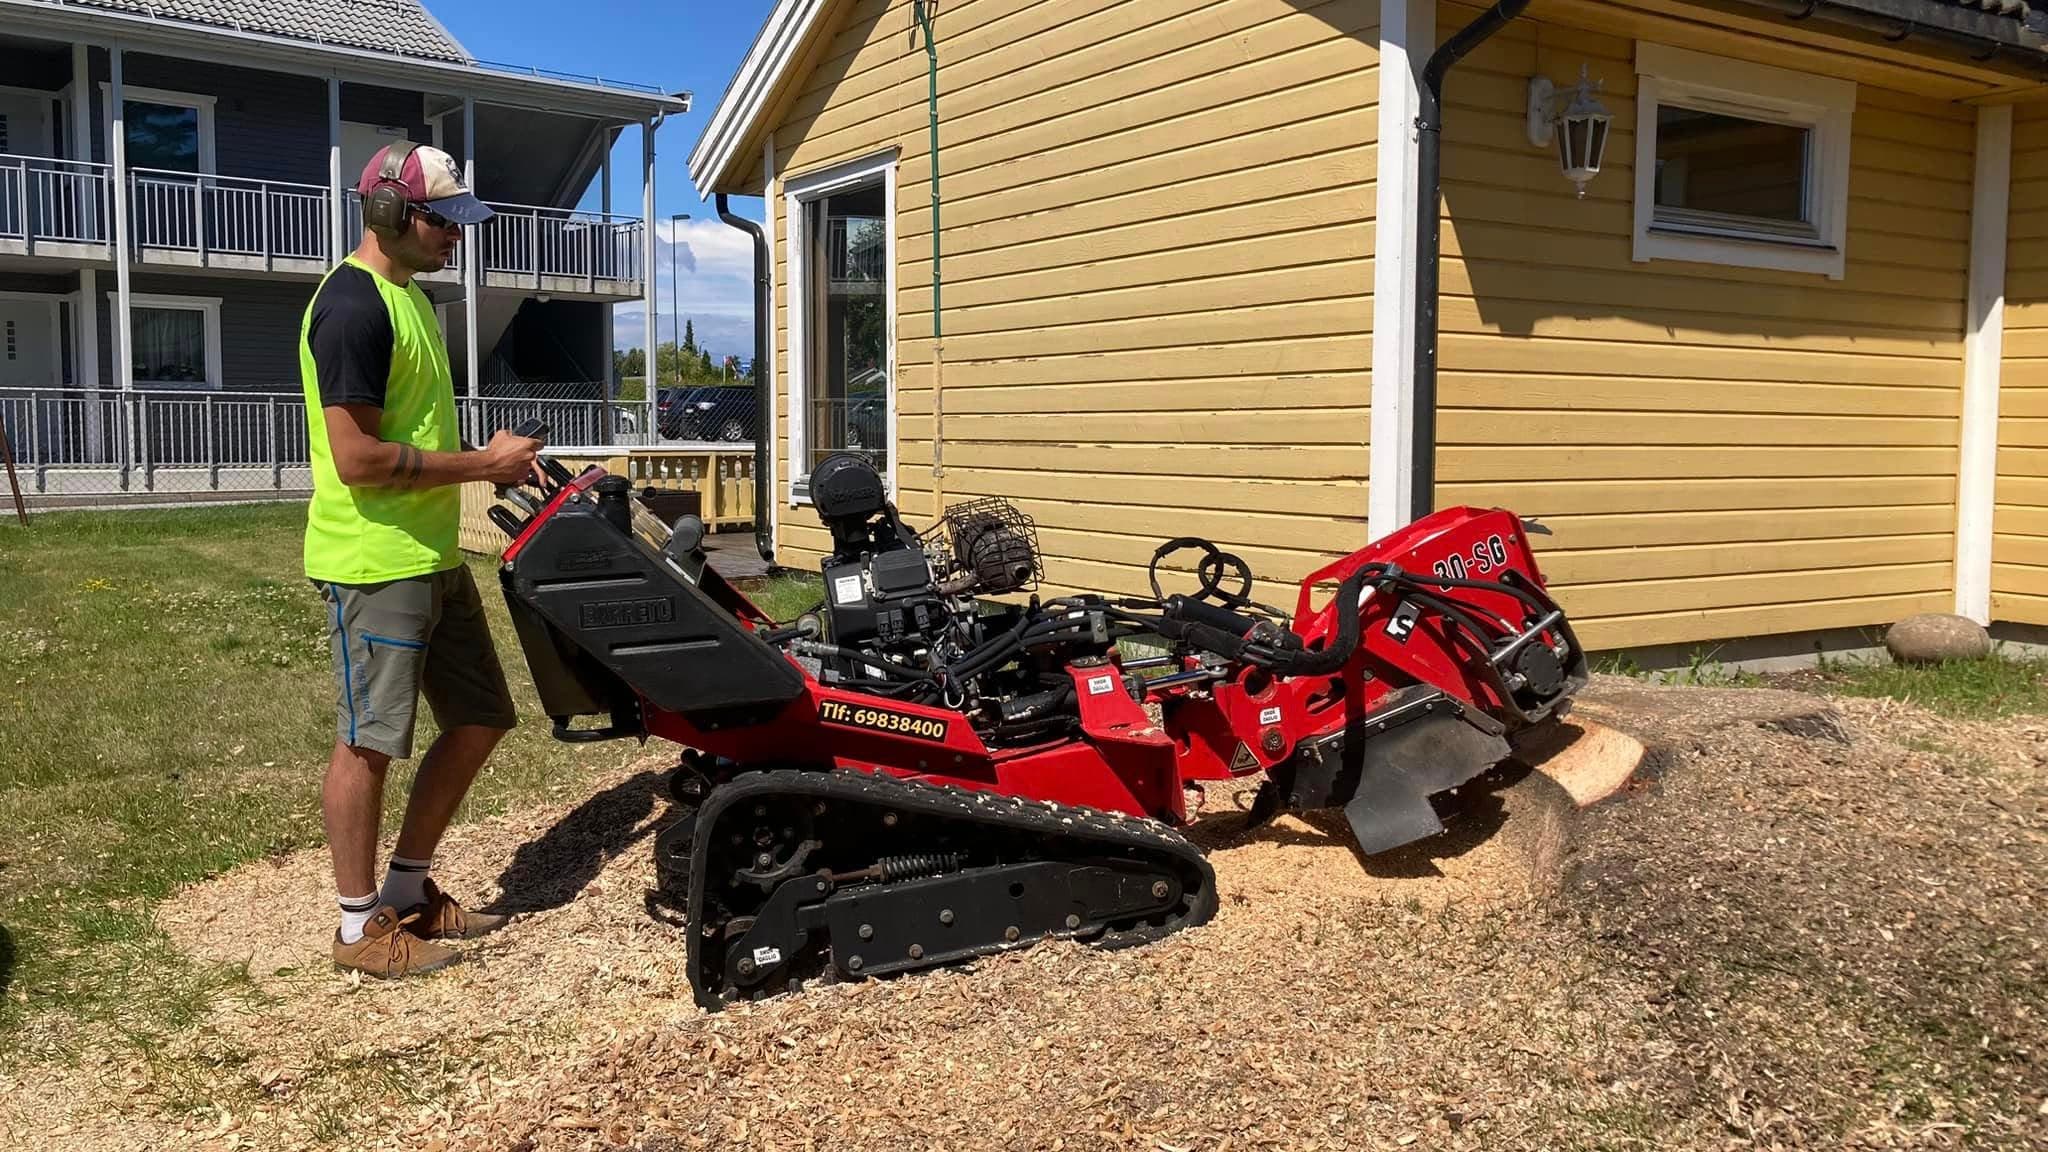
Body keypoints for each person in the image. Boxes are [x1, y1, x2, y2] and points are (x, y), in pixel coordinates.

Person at [300, 140, 541, 978]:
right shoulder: (351, 307)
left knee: (481, 717)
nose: (456, 236)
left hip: (430, 555)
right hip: (374, 562)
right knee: (368, 743)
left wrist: (488, 460)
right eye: (443, 221)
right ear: (389, 213)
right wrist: (483, 466)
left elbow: (413, 435)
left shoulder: (411, 302)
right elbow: (357, 458)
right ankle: (357, 929)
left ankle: (406, 891)